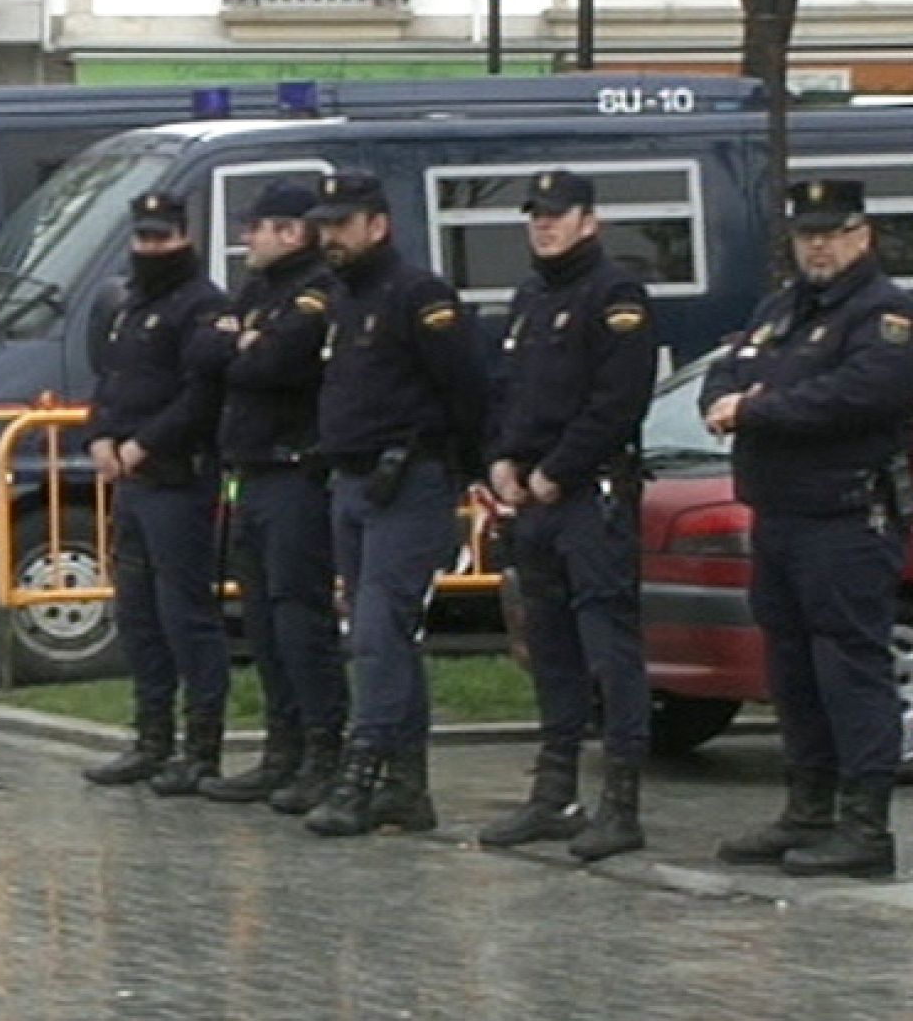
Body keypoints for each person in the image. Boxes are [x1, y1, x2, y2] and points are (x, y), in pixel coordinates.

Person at [700, 178, 913, 879]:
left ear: (862, 235)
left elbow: (858, 395)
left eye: (831, 234)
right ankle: (807, 809)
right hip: (780, 515)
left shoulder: (885, 313)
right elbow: (723, 375)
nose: (818, 247)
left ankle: (865, 828)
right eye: (806, 235)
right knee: (792, 673)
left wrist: (756, 408)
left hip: (846, 518)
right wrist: (732, 399)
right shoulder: (781, 309)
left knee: (850, 670)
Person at [480, 169, 658, 862]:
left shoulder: (615, 295)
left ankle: (621, 804)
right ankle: (554, 795)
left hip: (589, 497)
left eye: (557, 215)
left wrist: (558, 469)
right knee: (551, 650)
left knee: (609, 651)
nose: (544, 226)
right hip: (533, 501)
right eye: (536, 216)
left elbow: (618, 400)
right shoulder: (530, 296)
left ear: (590, 221)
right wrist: (501, 458)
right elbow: (507, 391)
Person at [302, 170, 487, 837]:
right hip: (353, 482)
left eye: (342, 225)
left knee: (378, 633)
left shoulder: (418, 296)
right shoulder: (342, 299)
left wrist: (463, 469)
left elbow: (466, 386)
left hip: (407, 481)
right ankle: (408, 786)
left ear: (377, 225)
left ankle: (362, 772)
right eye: (324, 227)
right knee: (381, 635)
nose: (330, 238)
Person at [188, 181, 349, 807]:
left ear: (292, 231)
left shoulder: (315, 291)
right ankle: (282, 748)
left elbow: (277, 363)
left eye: (255, 227)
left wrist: (244, 346)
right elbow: (204, 350)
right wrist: (239, 342)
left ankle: (323, 751)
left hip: (294, 471)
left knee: (298, 616)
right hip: (252, 471)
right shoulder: (257, 290)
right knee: (261, 620)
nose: (245, 238)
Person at [81, 191, 233, 795]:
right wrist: (99, 435)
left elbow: (202, 394)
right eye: (143, 237)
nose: (150, 248)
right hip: (133, 483)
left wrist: (146, 443)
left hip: (177, 479)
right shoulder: (128, 302)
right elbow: (111, 381)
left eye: (161, 237)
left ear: (184, 236)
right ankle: (151, 739)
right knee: (138, 615)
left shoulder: (203, 306)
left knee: (185, 616)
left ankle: (201, 748)